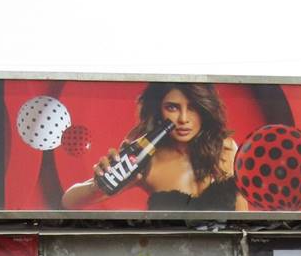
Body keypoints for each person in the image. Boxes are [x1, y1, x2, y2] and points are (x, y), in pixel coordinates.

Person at [61, 83, 249, 212]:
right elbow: (69, 201)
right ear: (159, 110)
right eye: (172, 108)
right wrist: (97, 185)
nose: (183, 118)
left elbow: (242, 215)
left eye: (192, 108)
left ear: (204, 109)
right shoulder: (145, 161)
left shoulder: (226, 149)